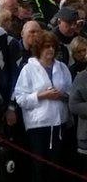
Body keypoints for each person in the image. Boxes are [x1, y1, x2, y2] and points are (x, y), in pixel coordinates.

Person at [14, 30, 72, 182]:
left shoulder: (62, 67)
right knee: (39, 165)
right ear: (39, 48)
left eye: (53, 46)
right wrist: (41, 95)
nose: (51, 50)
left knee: (56, 166)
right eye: (47, 46)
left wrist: (62, 95)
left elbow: (71, 93)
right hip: (38, 125)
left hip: (59, 123)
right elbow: (20, 98)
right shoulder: (28, 69)